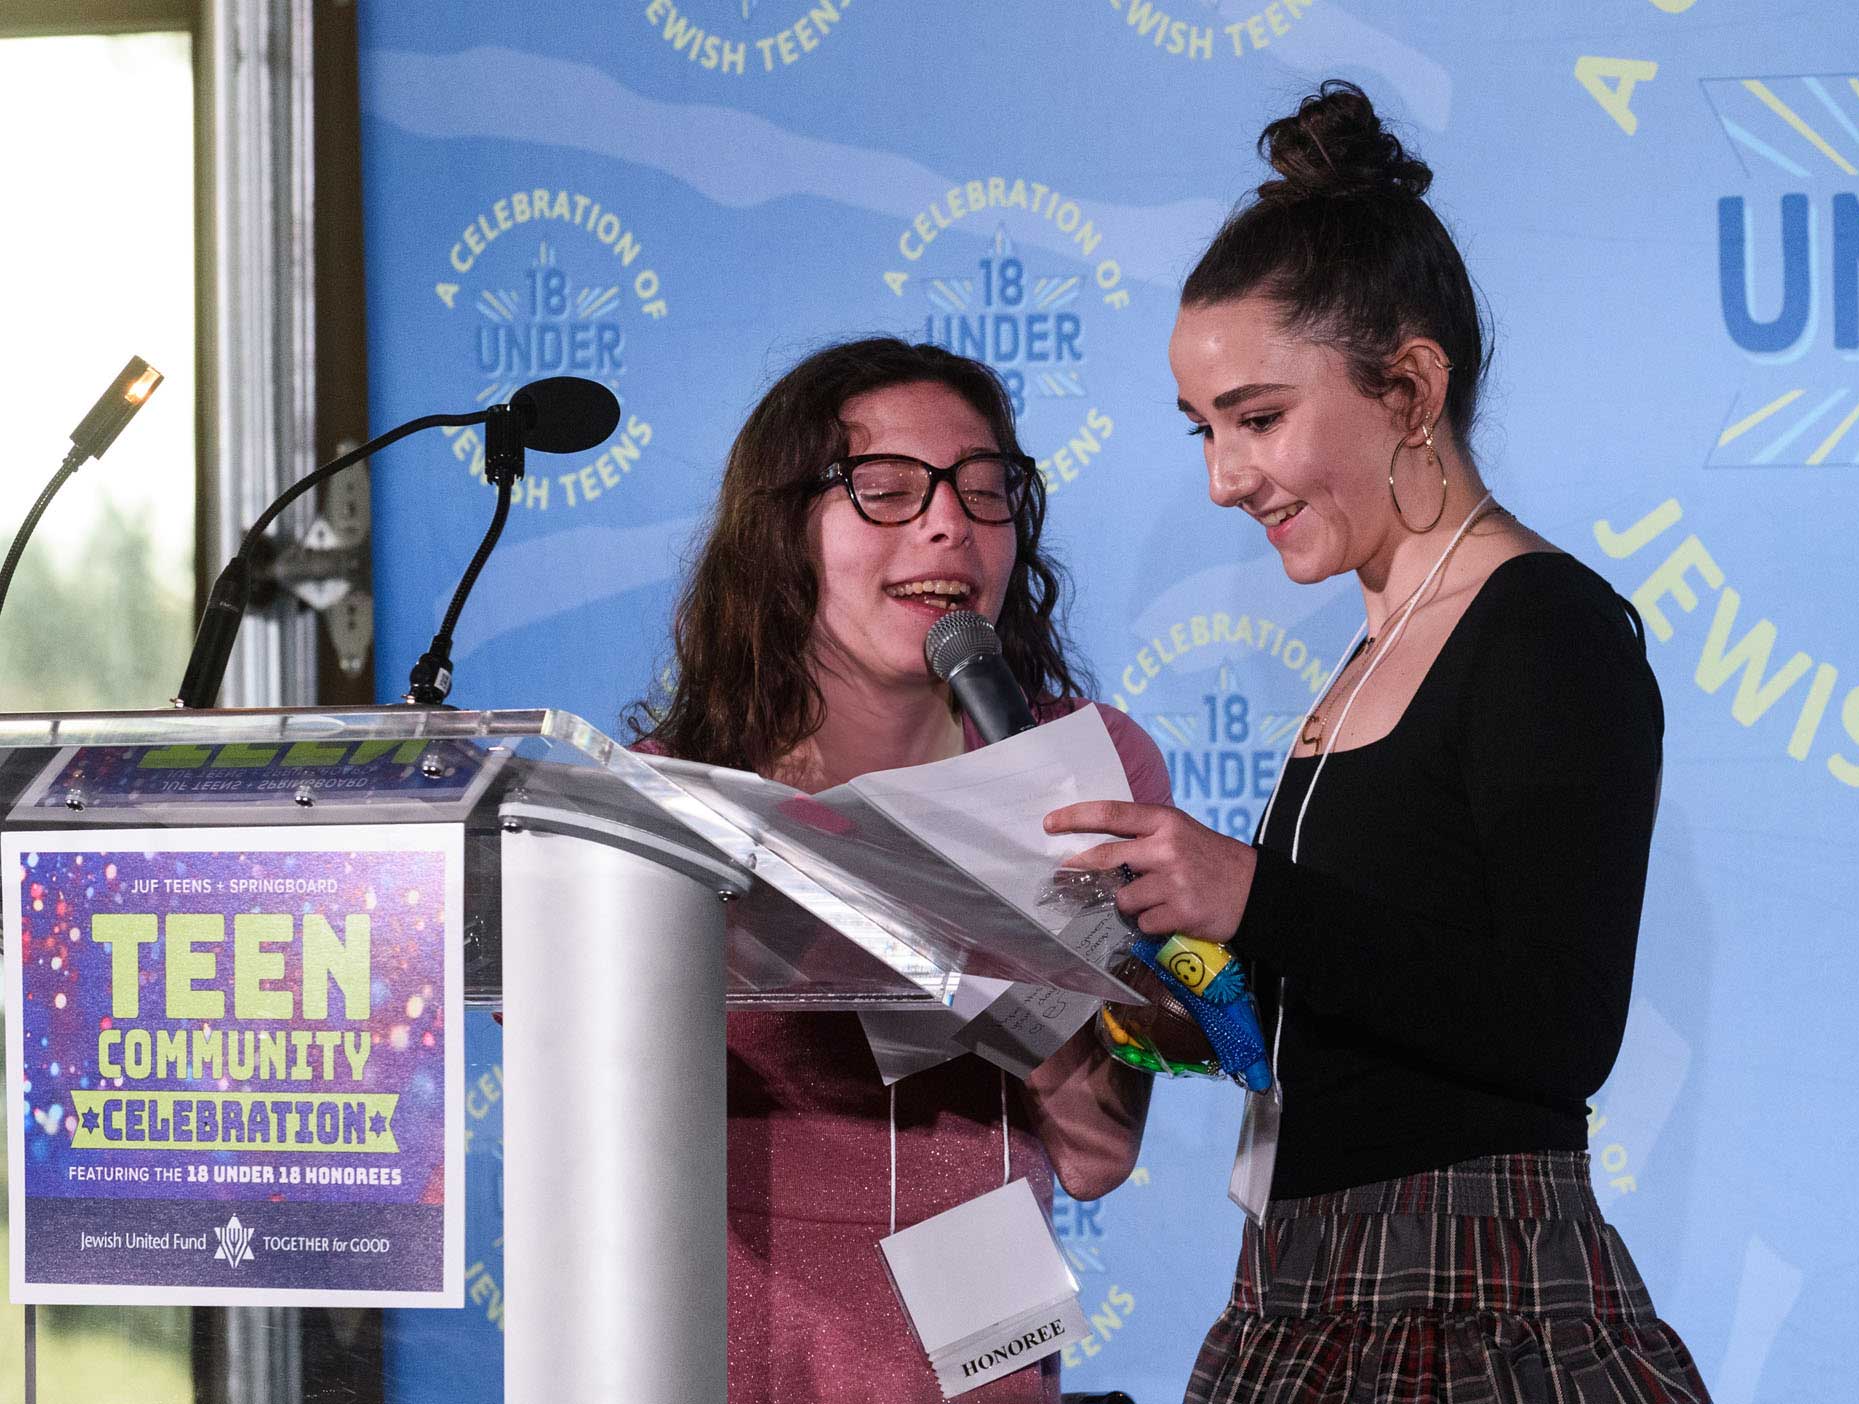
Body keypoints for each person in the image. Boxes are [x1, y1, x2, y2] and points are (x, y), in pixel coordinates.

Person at [1044, 82, 1713, 1403]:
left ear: (1411, 386)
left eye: (1258, 418)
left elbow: (1556, 1027)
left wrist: (1250, 892)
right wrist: (1160, 1006)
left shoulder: (1547, 632)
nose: (1226, 478)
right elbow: (1369, 1000)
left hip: (1472, 1303)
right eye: (1206, 432)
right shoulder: (1368, 652)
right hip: (1306, 1285)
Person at [632, 336, 1168, 1404]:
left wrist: (1018, 964)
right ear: (785, 531)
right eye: (884, 490)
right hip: (725, 1285)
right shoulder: (671, 792)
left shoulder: (1086, 765)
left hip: (982, 1273)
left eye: (984, 492)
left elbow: (1098, 1152)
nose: (946, 525)